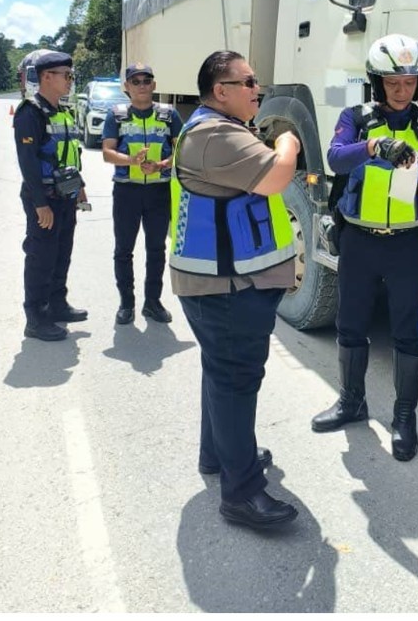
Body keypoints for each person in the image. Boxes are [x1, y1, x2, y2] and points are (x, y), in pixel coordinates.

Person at [311, 34, 418, 463]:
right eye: (393, 82)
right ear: (377, 83)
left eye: (410, 82)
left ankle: (404, 416)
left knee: (408, 332)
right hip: (359, 239)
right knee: (350, 325)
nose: (401, 90)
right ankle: (351, 402)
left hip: (408, 243)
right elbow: (335, 158)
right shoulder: (355, 117)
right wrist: (374, 146)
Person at [170, 50, 302, 529]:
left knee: (221, 374)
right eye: (246, 82)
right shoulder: (214, 135)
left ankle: (220, 455)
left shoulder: (219, 129)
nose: (256, 89)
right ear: (219, 91)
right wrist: (288, 140)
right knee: (235, 381)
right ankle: (241, 493)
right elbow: (277, 175)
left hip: (224, 281)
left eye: (255, 81)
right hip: (224, 287)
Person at [13, 50, 87, 341]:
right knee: (41, 257)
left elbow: (71, 153)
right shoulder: (30, 112)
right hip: (44, 197)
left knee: (61, 253)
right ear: (46, 77)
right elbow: (28, 161)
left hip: (66, 195)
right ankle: (36, 318)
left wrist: (80, 186)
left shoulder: (63, 111)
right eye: (66, 75)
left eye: (71, 75)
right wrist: (40, 204)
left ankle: (57, 304)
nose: (70, 80)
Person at [102, 62, 182, 325]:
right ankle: (126, 304)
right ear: (127, 86)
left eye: (146, 80)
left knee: (156, 249)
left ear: (154, 85)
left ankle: (153, 302)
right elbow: (107, 153)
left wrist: (162, 165)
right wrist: (132, 161)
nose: (142, 86)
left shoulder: (169, 115)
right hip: (127, 192)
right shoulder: (117, 115)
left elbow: (182, 151)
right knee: (123, 250)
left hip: (159, 192)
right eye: (135, 81)